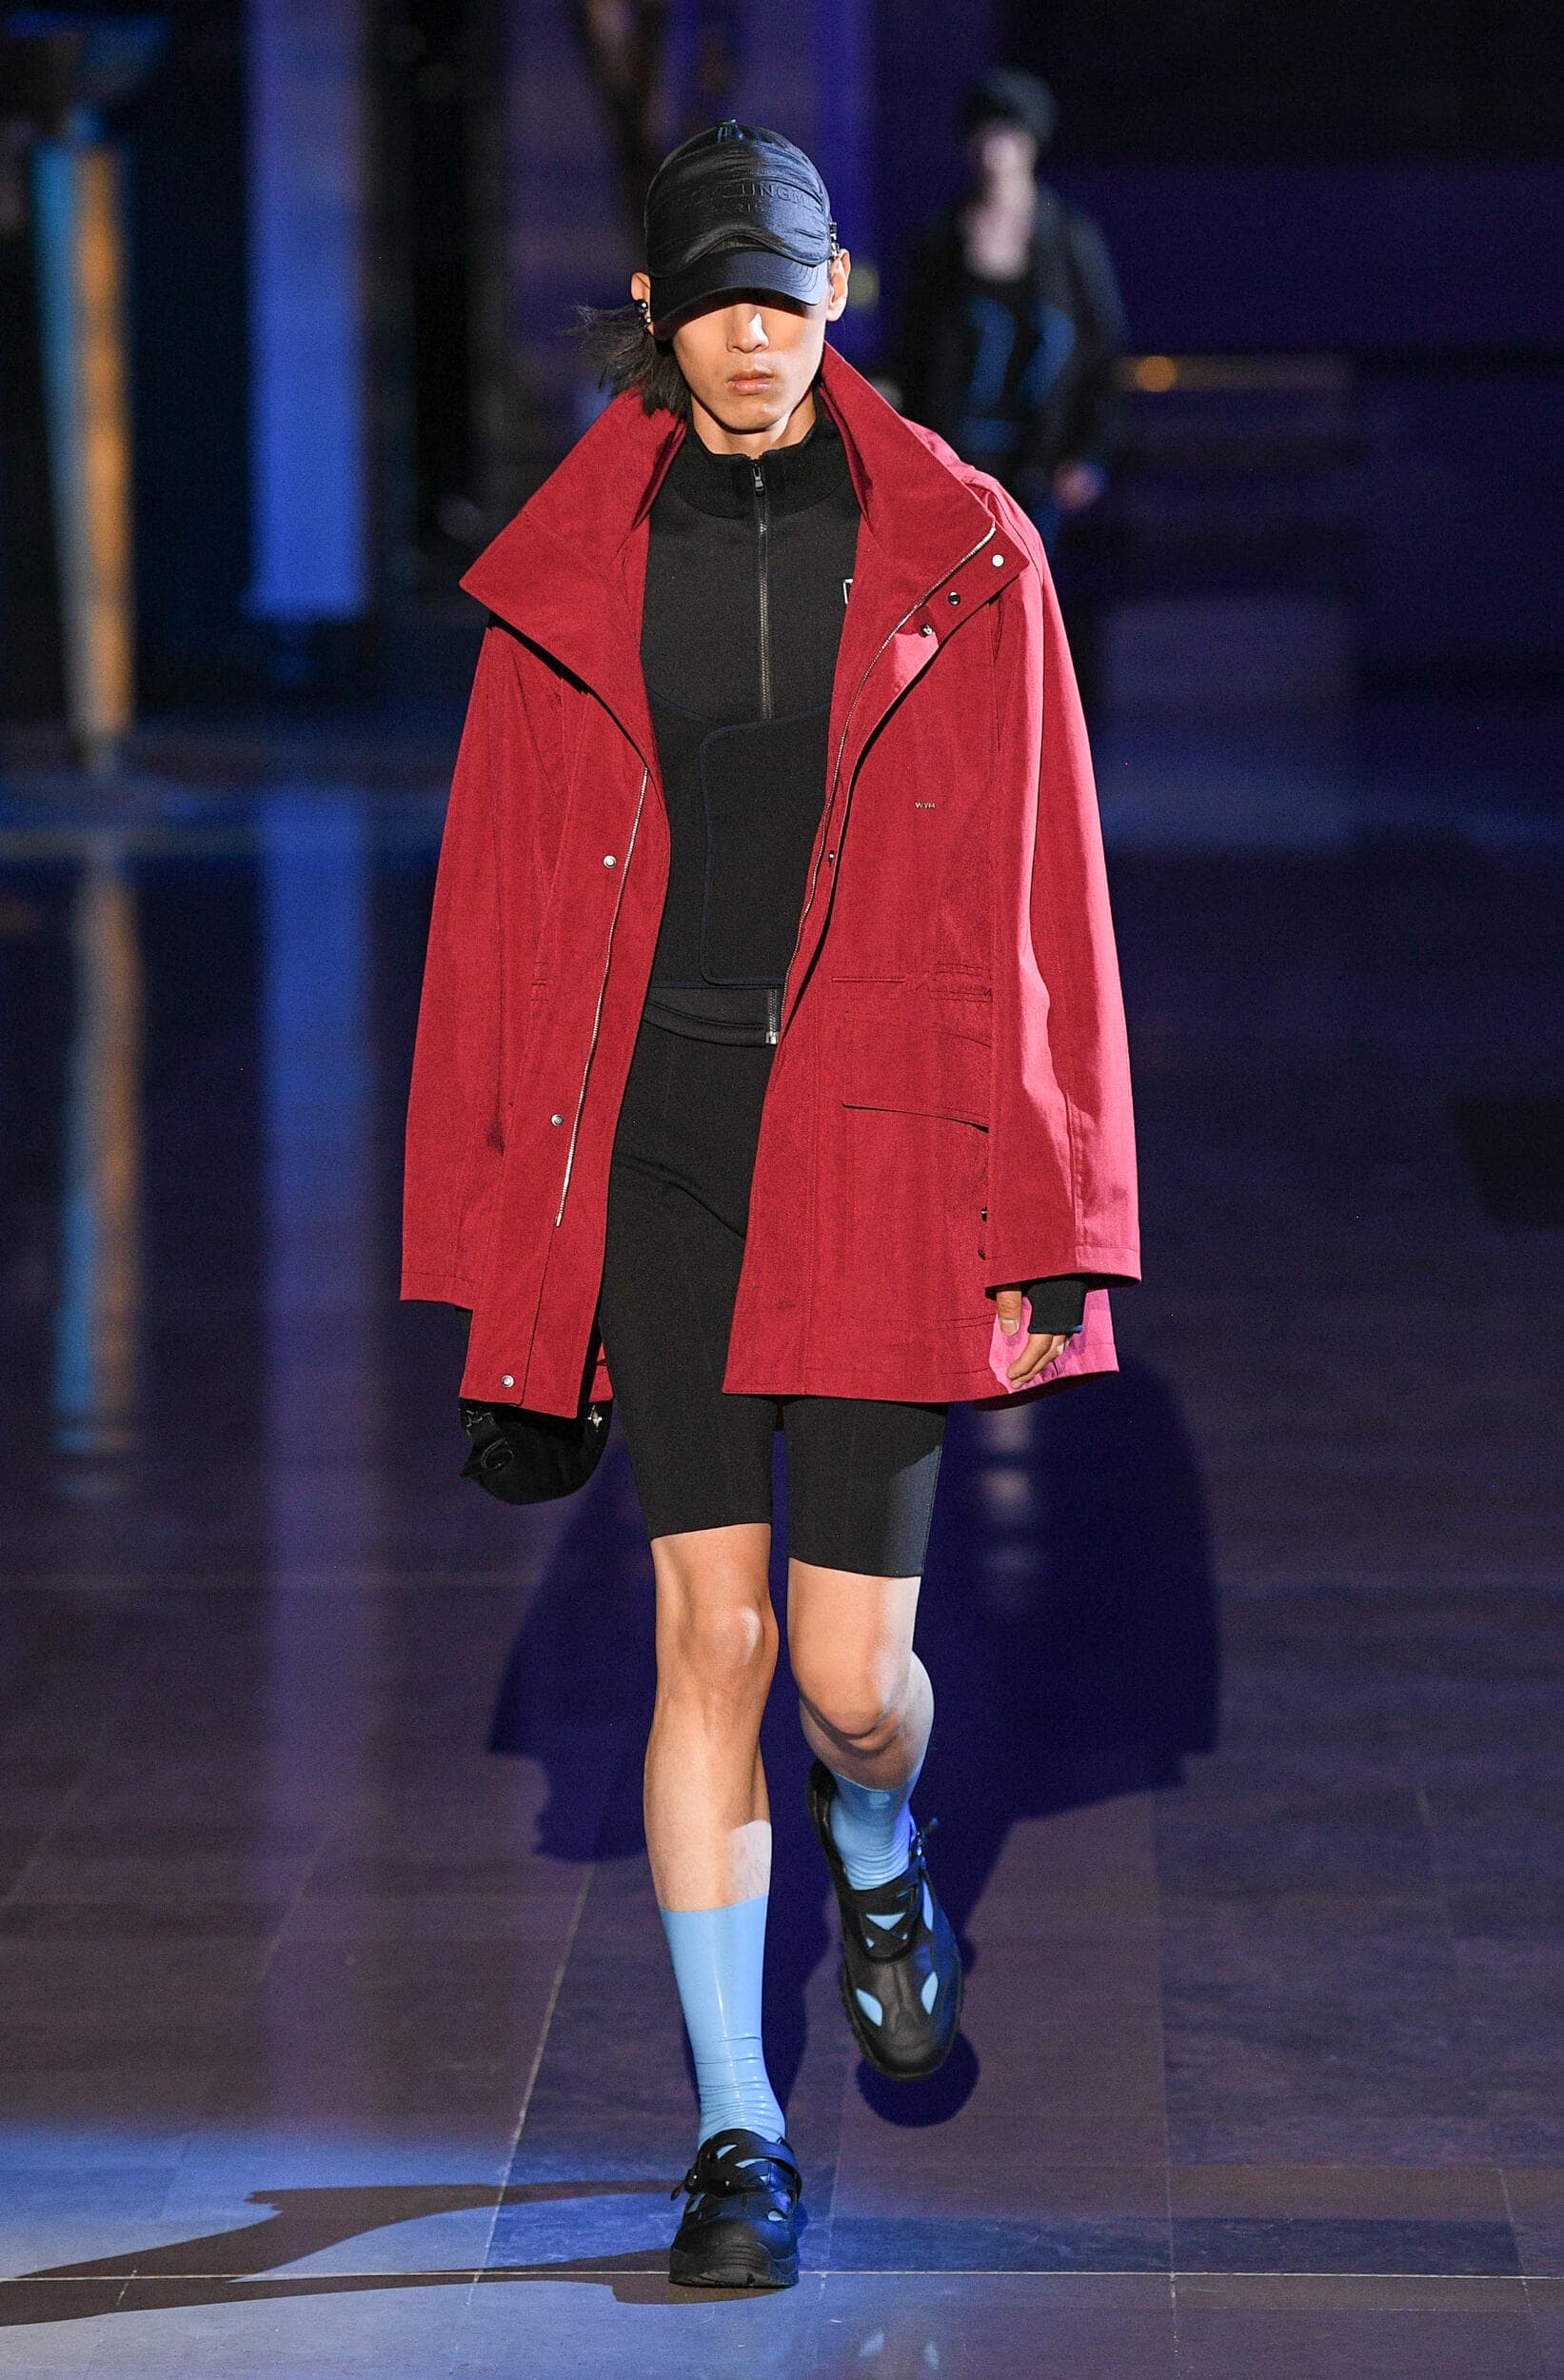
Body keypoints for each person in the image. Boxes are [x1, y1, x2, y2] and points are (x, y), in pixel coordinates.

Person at [402, 119, 1138, 2292]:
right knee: (703, 1642)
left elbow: (1047, 902)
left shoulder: (964, 550)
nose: (752, 338)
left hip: (885, 1148)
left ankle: (881, 1844)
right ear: (653, 311)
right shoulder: (565, 576)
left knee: (845, 1683)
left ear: (839, 295)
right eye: (712, 299)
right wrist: (497, 1244)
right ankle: (737, 2130)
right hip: (664, 1151)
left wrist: (1057, 1213)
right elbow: (499, 919)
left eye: (783, 295)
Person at [891, 68, 1127, 553]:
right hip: (954, 458)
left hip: (1039, 463)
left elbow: (1102, 352)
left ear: (1031, 144)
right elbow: (910, 350)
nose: (995, 153)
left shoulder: (1068, 240)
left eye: (1008, 137)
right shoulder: (940, 239)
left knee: (1031, 580)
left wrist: (1089, 453)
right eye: (984, 137)